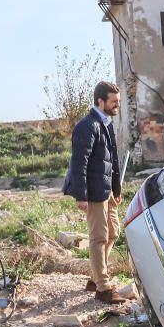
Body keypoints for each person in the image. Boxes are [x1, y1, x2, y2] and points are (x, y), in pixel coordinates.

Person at [63, 81, 127, 304]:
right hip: (93, 192)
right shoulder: (87, 126)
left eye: (118, 102)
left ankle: (95, 276)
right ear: (101, 101)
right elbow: (79, 163)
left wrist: (117, 189)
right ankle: (103, 287)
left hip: (107, 190)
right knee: (98, 237)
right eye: (114, 102)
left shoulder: (105, 123)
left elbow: (113, 159)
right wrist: (81, 195)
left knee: (113, 233)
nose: (117, 106)